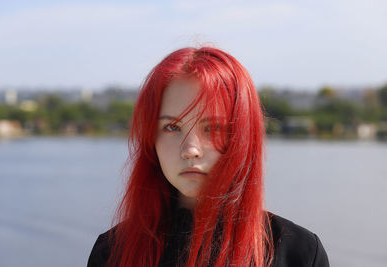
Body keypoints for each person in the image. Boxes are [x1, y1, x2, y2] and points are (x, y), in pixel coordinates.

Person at [87, 47, 329, 267]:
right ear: (151, 139)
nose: (190, 149)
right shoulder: (112, 253)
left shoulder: (298, 254)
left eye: (213, 128)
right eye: (172, 127)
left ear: (243, 136)